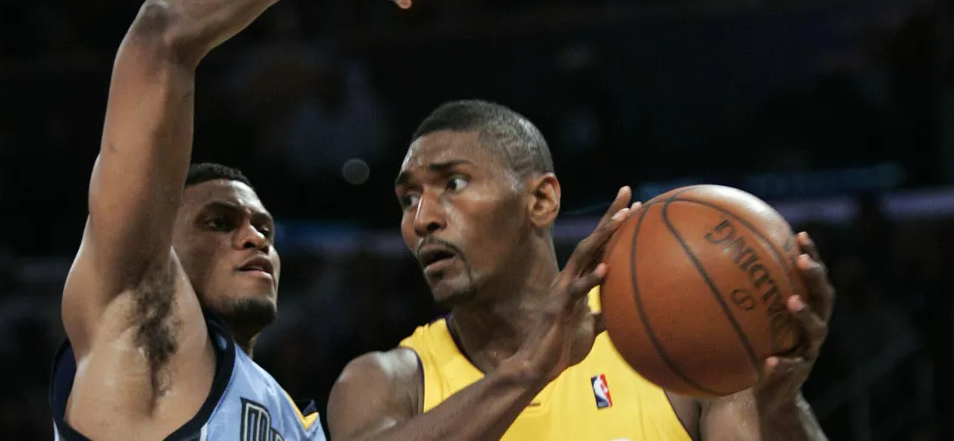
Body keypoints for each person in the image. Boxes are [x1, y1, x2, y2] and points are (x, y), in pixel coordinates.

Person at [48, 0, 442, 439]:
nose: (256, 239)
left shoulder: (288, 416)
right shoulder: (134, 336)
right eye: (219, 222)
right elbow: (162, 34)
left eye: (264, 227)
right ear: (162, 244)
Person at [328, 100, 834, 440]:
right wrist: (530, 369)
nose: (423, 219)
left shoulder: (677, 346)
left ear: (542, 200)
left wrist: (781, 404)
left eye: (454, 184)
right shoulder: (385, 381)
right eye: (408, 198)